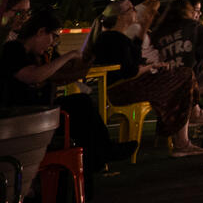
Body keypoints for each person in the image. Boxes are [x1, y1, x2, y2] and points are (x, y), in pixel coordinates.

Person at [1, 10, 132, 171]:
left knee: (81, 103)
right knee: (79, 108)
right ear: (41, 32)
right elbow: (32, 76)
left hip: (44, 113)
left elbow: (62, 74)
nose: (53, 43)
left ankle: (98, 156)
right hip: (22, 117)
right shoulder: (13, 49)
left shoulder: (43, 55)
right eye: (54, 36)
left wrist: (85, 61)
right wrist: (68, 56)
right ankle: (100, 155)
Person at [88, 0, 203, 156]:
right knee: (184, 76)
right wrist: (151, 67)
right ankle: (188, 128)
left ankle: (184, 138)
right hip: (122, 90)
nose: (135, 11)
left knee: (181, 79)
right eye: (131, 9)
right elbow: (130, 71)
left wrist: (154, 64)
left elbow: (133, 59)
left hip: (126, 86)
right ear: (120, 17)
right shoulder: (113, 39)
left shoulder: (115, 37)